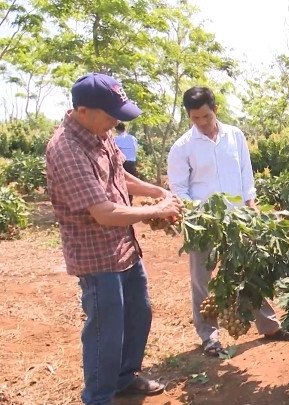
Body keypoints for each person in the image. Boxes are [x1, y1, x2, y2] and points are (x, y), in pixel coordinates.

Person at [45, 73, 184, 405]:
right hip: (97, 257)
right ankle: (98, 397)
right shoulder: (66, 149)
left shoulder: (99, 133)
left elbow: (118, 174)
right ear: (81, 110)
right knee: (105, 331)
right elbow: (104, 212)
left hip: (124, 247)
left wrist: (158, 191)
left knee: (140, 313)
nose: (114, 122)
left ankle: (124, 378)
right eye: (109, 114)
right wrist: (155, 211)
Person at [167, 86, 289, 356]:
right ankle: (210, 337)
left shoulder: (235, 136)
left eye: (206, 116)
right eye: (195, 119)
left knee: (249, 273)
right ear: (189, 116)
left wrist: (251, 207)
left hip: (239, 220)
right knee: (201, 281)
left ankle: (270, 327)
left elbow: (245, 175)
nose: (202, 123)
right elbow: (179, 190)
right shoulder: (182, 148)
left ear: (215, 109)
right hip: (203, 225)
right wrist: (201, 215)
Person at [114, 122, 139, 204]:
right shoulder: (132, 138)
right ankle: (130, 202)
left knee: (121, 183)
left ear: (116, 129)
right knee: (131, 182)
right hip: (132, 163)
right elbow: (136, 150)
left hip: (122, 164)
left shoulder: (116, 139)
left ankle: (124, 202)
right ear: (125, 128)